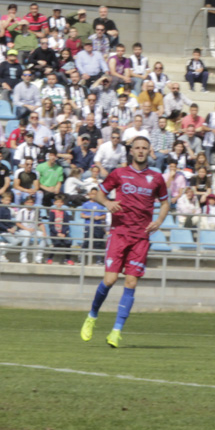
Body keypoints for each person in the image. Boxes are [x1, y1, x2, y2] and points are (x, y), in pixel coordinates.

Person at [80, 136, 171, 348]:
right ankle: (92, 316)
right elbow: (99, 194)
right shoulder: (119, 174)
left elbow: (166, 203)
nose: (140, 151)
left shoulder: (156, 178)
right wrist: (108, 203)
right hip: (119, 234)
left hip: (141, 238)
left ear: (149, 151)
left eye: (144, 148)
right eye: (137, 148)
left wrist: (158, 220)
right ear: (131, 151)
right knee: (110, 280)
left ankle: (116, 331)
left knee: (131, 283)